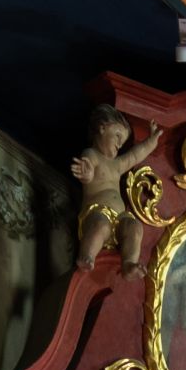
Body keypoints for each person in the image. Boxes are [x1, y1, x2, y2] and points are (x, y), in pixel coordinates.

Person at [68, 104, 161, 269]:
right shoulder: (92, 154)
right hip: (97, 213)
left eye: (122, 142)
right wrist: (87, 174)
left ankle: (129, 263)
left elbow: (135, 156)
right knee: (100, 225)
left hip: (119, 218)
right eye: (117, 136)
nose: (119, 144)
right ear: (102, 128)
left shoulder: (117, 164)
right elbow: (88, 168)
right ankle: (87, 256)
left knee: (134, 227)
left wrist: (152, 141)